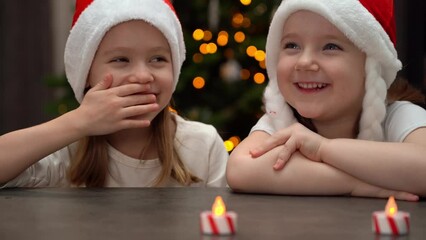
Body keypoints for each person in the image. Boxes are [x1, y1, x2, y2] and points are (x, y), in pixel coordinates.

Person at [0, 0, 228, 188]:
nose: (142, 75)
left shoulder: (204, 146)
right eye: (121, 60)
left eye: (158, 59)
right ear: (86, 74)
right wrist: (78, 122)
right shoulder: (67, 149)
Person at [226, 0, 426, 201]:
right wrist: (354, 184)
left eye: (330, 46)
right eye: (292, 45)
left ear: (371, 66)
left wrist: (323, 148)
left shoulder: (399, 116)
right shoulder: (280, 120)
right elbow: (240, 169)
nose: (304, 62)